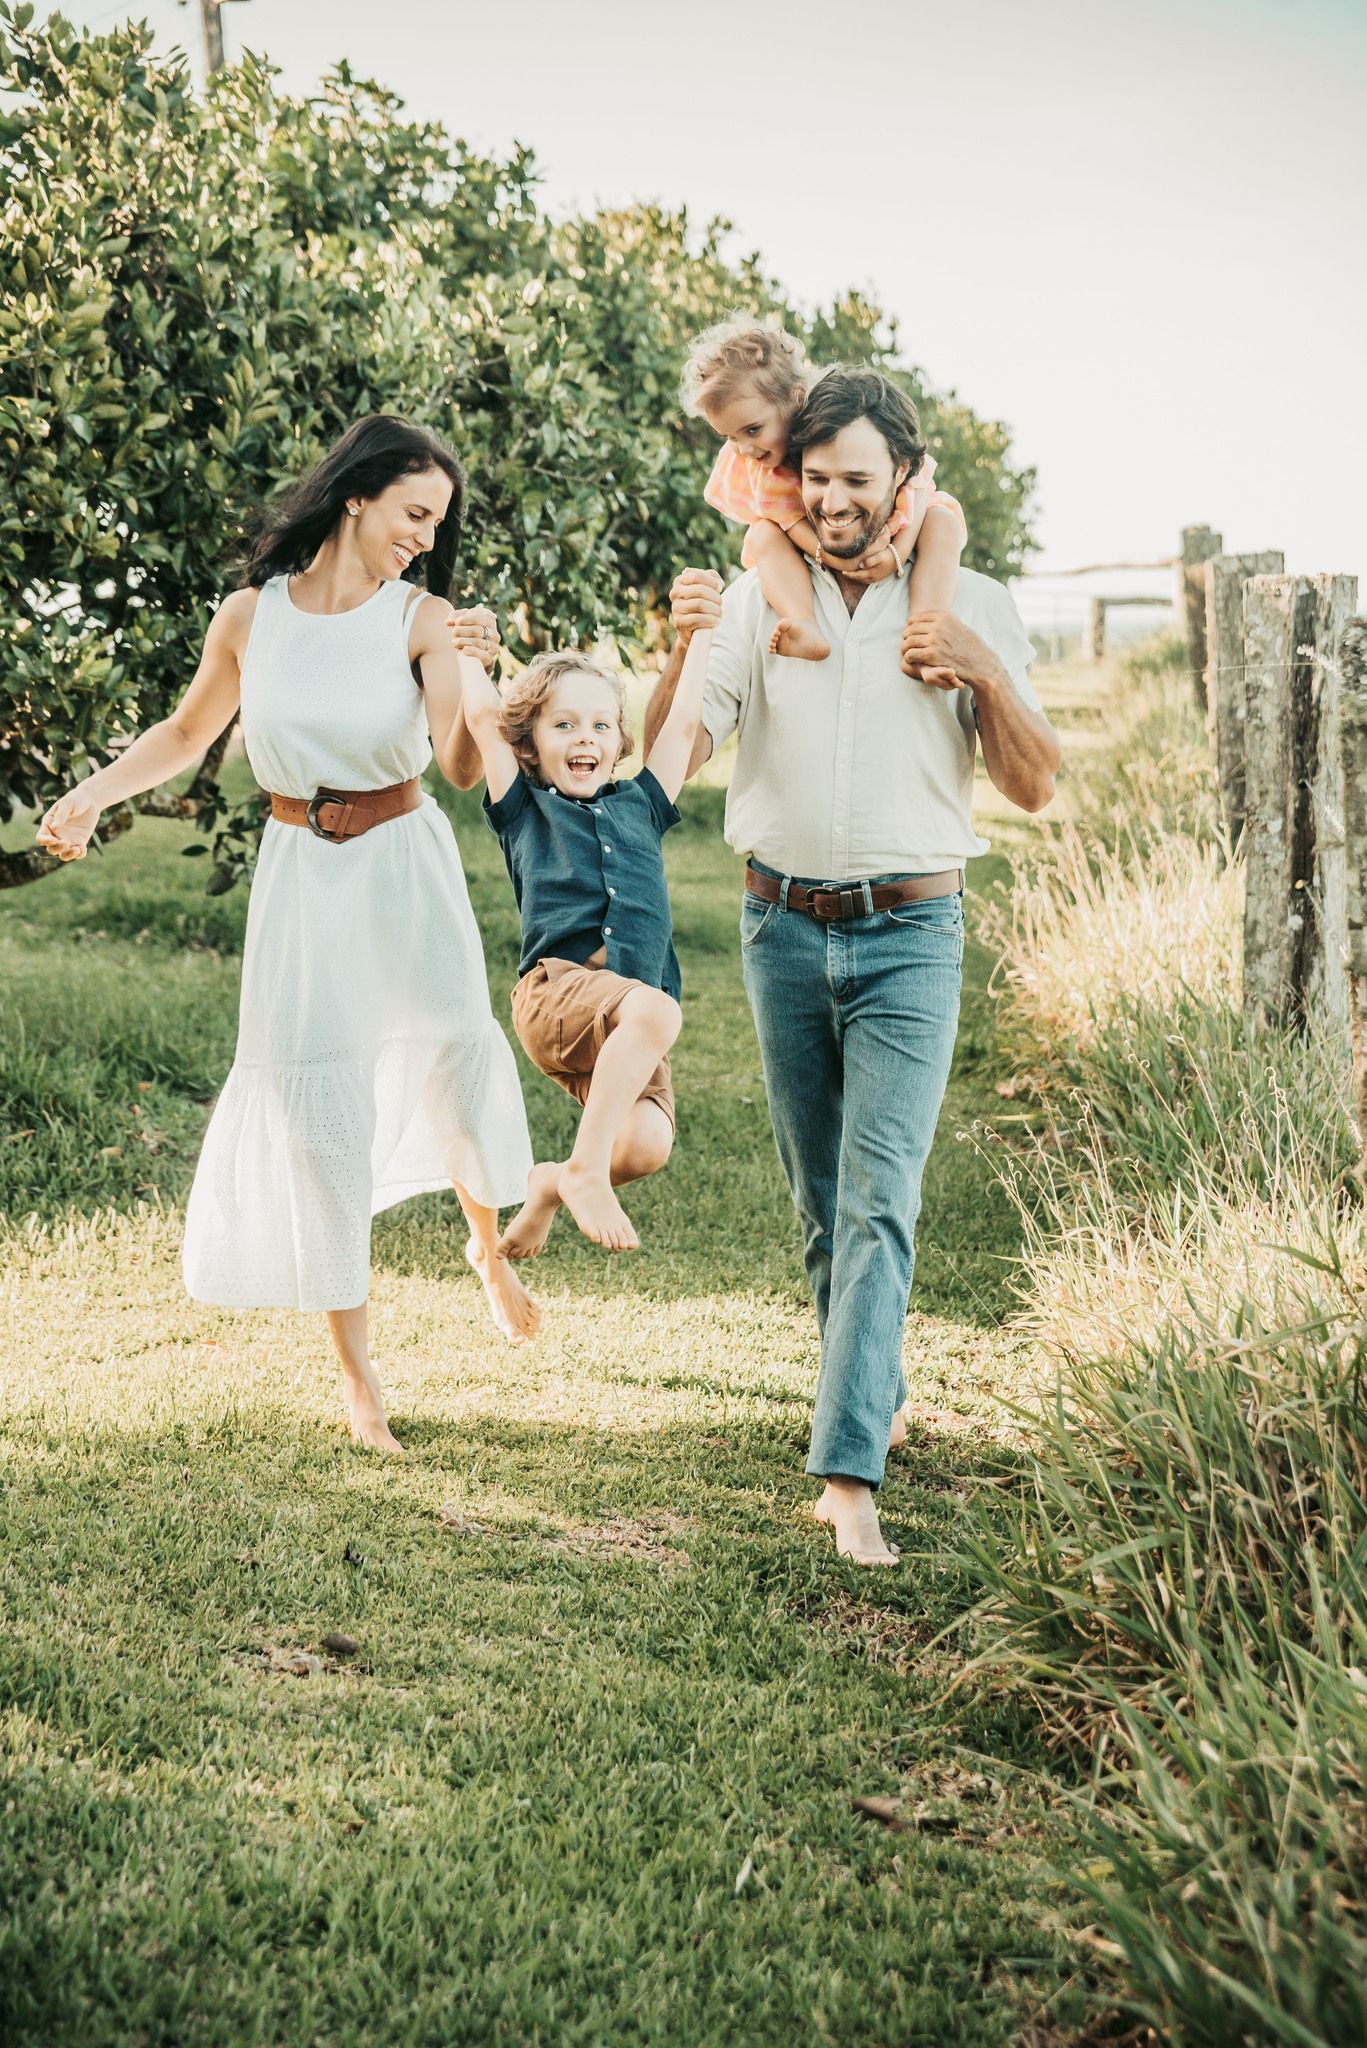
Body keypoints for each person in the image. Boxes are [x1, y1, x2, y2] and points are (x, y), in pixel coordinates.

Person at [36, 414, 538, 1455]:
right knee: (322, 1114)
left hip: (401, 863)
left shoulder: (421, 616)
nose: (421, 536)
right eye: (411, 512)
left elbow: (451, 761)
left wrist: (471, 675)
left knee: (447, 1060)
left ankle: (485, 1246)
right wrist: (89, 793)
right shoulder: (249, 615)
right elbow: (187, 732)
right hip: (301, 876)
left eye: (435, 523)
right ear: (356, 494)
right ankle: (361, 1384)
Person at [647, 369, 1061, 1566]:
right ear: (790, 478)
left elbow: (1032, 783)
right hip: (780, 927)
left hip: (911, 937)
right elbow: (685, 731)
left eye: (856, 479)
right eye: (813, 478)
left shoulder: (968, 596)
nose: (833, 500)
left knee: (879, 1200)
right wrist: (676, 663)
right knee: (824, 1211)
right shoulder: (754, 595)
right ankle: (867, 1394)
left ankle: (846, 1476)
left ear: (904, 481)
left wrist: (979, 667)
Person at [454, 625, 713, 1257]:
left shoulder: (643, 805)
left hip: (624, 1025)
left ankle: (555, 1181)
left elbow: (679, 730)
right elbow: (487, 721)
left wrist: (701, 637)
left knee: (648, 1145)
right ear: (530, 745)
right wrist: (469, 658)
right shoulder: (523, 809)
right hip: (556, 997)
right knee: (658, 1010)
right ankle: (588, 1173)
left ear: (620, 741)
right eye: (563, 725)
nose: (585, 738)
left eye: (601, 726)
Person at [681, 314, 966, 671]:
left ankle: (926, 641)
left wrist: (899, 550)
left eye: (753, 429)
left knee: (943, 521)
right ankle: (804, 622)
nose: (742, 449)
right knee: (763, 534)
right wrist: (839, 561)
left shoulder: (839, 420)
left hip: (898, 516)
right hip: (820, 543)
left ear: (794, 399)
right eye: (729, 437)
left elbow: (919, 477)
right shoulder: (763, 469)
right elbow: (790, 525)